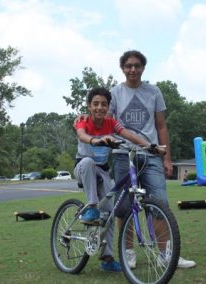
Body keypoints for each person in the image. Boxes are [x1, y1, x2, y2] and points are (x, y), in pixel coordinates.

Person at [108, 50, 196, 269]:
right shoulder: (115, 93)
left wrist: (167, 158)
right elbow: (107, 124)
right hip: (122, 154)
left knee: (159, 203)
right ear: (122, 68)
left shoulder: (153, 92)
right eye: (128, 66)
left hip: (151, 154)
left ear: (143, 68)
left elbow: (161, 126)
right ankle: (128, 252)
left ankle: (166, 254)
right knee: (124, 207)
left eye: (137, 65)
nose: (133, 69)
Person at [74, 87, 163, 272]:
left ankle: (107, 258)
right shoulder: (83, 122)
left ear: (108, 107)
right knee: (89, 161)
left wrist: (152, 147)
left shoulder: (110, 123)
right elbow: (82, 135)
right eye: (95, 104)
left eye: (103, 104)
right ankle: (91, 206)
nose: (99, 107)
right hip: (83, 168)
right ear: (89, 106)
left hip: (103, 172)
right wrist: (95, 140)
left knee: (109, 212)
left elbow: (128, 135)